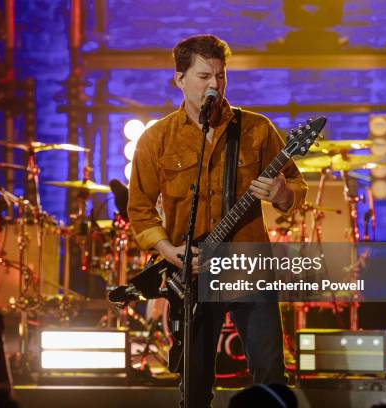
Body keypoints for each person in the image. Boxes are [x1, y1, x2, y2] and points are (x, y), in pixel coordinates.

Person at [127, 34, 307, 407]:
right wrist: (168, 250)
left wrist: (282, 194)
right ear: (180, 79)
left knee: (271, 377)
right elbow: (139, 208)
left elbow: (295, 184)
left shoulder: (256, 129)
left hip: (249, 269)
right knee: (193, 387)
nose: (215, 85)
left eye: (221, 77)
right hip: (191, 277)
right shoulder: (157, 139)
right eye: (204, 76)